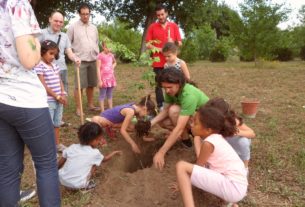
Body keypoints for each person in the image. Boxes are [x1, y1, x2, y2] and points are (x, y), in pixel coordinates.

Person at [0, 0, 61, 206]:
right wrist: (37, 45)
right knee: (46, 164)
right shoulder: (17, 3)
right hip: (24, 97)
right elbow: (29, 59)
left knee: (7, 168)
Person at [176, 106, 248, 207]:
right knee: (208, 168)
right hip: (239, 186)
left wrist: (182, 183)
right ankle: (231, 203)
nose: (191, 125)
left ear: (208, 130)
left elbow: (198, 167)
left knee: (181, 166)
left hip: (233, 188)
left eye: (195, 123)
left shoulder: (208, 143)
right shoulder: (217, 138)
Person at [150, 68, 209, 170]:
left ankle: (187, 139)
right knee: (163, 121)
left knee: (174, 111)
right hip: (190, 119)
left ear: (179, 84)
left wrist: (161, 152)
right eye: (164, 88)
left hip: (205, 122)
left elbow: (179, 128)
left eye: (169, 87)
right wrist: (149, 123)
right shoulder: (170, 91)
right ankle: (187, 138)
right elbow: (164, 111)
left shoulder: (188, 95)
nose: (167, 90)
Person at [58, 122, 122, 189]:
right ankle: (88, 184)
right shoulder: (95, 153)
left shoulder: (72, 147)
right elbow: (105, 159)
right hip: (78, 184)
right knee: (95, 163)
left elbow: (59, 163)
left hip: (61, 180)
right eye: (99, 140)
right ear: (93, 140)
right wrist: (114, 152)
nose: (99, 142)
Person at [201, 97, 255, 170]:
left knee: (243, 142)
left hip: (234, 145)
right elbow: (199, 137)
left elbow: (252, 133)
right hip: (222, 148)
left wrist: (237, 132)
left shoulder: (233, 121)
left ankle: (245, 166)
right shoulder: (209, 122)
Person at [146, 4, 182, 110]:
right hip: (157, 61)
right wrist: (160, 50)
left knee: (174, 83)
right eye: (158, 15)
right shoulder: (152, 27)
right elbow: (148, 44)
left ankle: (176, 103)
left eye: (162, 14)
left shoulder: (174, 26)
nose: (161, 17)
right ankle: (161, 105)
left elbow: (180, 43)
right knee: (159, 85)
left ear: (166, 13)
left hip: (172, 61)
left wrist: (173, 42)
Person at [34, 40, 68, 152]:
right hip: (49, 101)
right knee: (48, 125)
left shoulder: (55, 66)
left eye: (55, 54)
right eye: (50, 53)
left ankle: (56, 144)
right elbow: (43, 86)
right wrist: (57, 96)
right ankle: (48, 148)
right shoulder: (40, 66)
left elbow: (59, 81)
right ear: (42, 52)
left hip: (59, 100)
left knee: (57, 124)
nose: (53, 56)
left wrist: (63, 93)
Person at [91, 95, 156, 154]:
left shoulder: (135, 108)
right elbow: (123, 130)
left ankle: (112, 127)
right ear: (144, 108)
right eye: (148, 113)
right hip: (104, 119)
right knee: (95, 120)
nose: (146, 115)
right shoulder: (130, 111)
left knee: (134, 126)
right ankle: (102, 135)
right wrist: (133, 144)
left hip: (114, 122)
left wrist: (143, 138)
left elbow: (138, 127)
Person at [67, 3, 100, 116]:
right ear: (79, 14)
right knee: (79, 86)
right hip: (80, 61)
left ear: (90, 13)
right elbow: (68, 45)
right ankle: (79, 108)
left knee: (91, 84)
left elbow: (96, 42)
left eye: (87, 14)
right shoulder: (72, 27)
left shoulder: (94, 28)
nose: (85, 16)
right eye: (83, 14)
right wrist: (73, 57)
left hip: (93, 59)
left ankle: (90, 105)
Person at [39, 10, 81, 94]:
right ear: (50, 19)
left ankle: (61, 107)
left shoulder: (64, 36)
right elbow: (36, 52)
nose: (58, 24)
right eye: (56, 21)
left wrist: (75, 58)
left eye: (61, 22)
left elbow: (69, 52)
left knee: (63, 94)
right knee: (46, 95)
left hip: (62, 69)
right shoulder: (41, 33)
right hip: (45, 71)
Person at [96, 41, 117, 112]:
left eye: (109, 47)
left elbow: (115, 62)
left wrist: (112, 67)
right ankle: (102, 111)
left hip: (110, 78)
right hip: (103, 79)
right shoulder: (100, 56)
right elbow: (98, 68)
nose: (108, 49)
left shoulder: (111, 55)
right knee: (102, 95)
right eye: (106, 47)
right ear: (103, 47)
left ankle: (111, 110)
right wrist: (99, 80)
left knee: (110, 94)